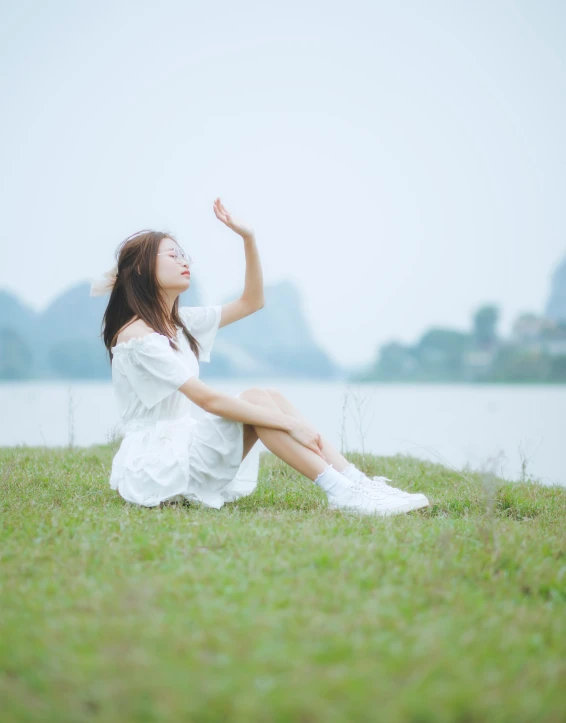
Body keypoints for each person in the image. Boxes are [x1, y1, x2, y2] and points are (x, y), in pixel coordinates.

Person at [91, 198, 430, 516]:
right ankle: (341, 490)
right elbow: (207, 399)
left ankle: (356, 483)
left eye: (184, 255)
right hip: (157, 465)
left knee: (269, 397)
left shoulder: (180, 323)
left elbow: (252, 302)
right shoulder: (138, 336)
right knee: (258, 401)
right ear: (139, 270)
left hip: (181, 449)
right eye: (172, 255)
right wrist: (289, 423)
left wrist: (248, 238)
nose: (184, 261)